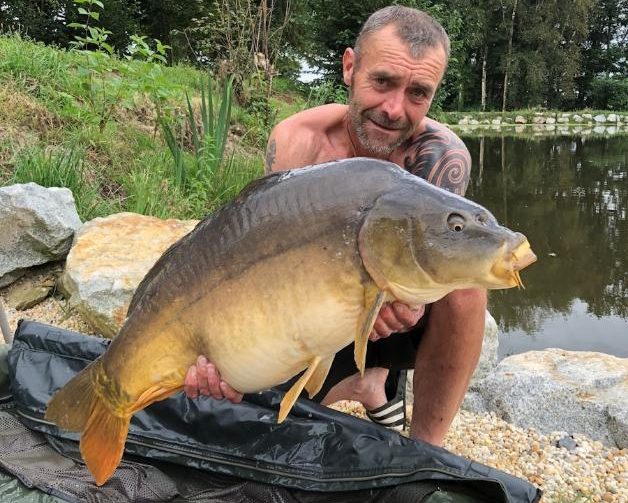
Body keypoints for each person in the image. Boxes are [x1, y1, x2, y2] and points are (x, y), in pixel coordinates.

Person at [184, 5, 487, 447]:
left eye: (418, 93)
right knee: (241, 412)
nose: (393, 109)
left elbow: (440, 256)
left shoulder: (441, 155)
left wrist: (412, 301)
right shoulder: (298, 143)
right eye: (382, 81)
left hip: (396, 320)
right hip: (313, 311)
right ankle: (364, 385)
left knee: (467, 287)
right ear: (350, 66)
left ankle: (427, 451)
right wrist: (228, 359)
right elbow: (263, 270)